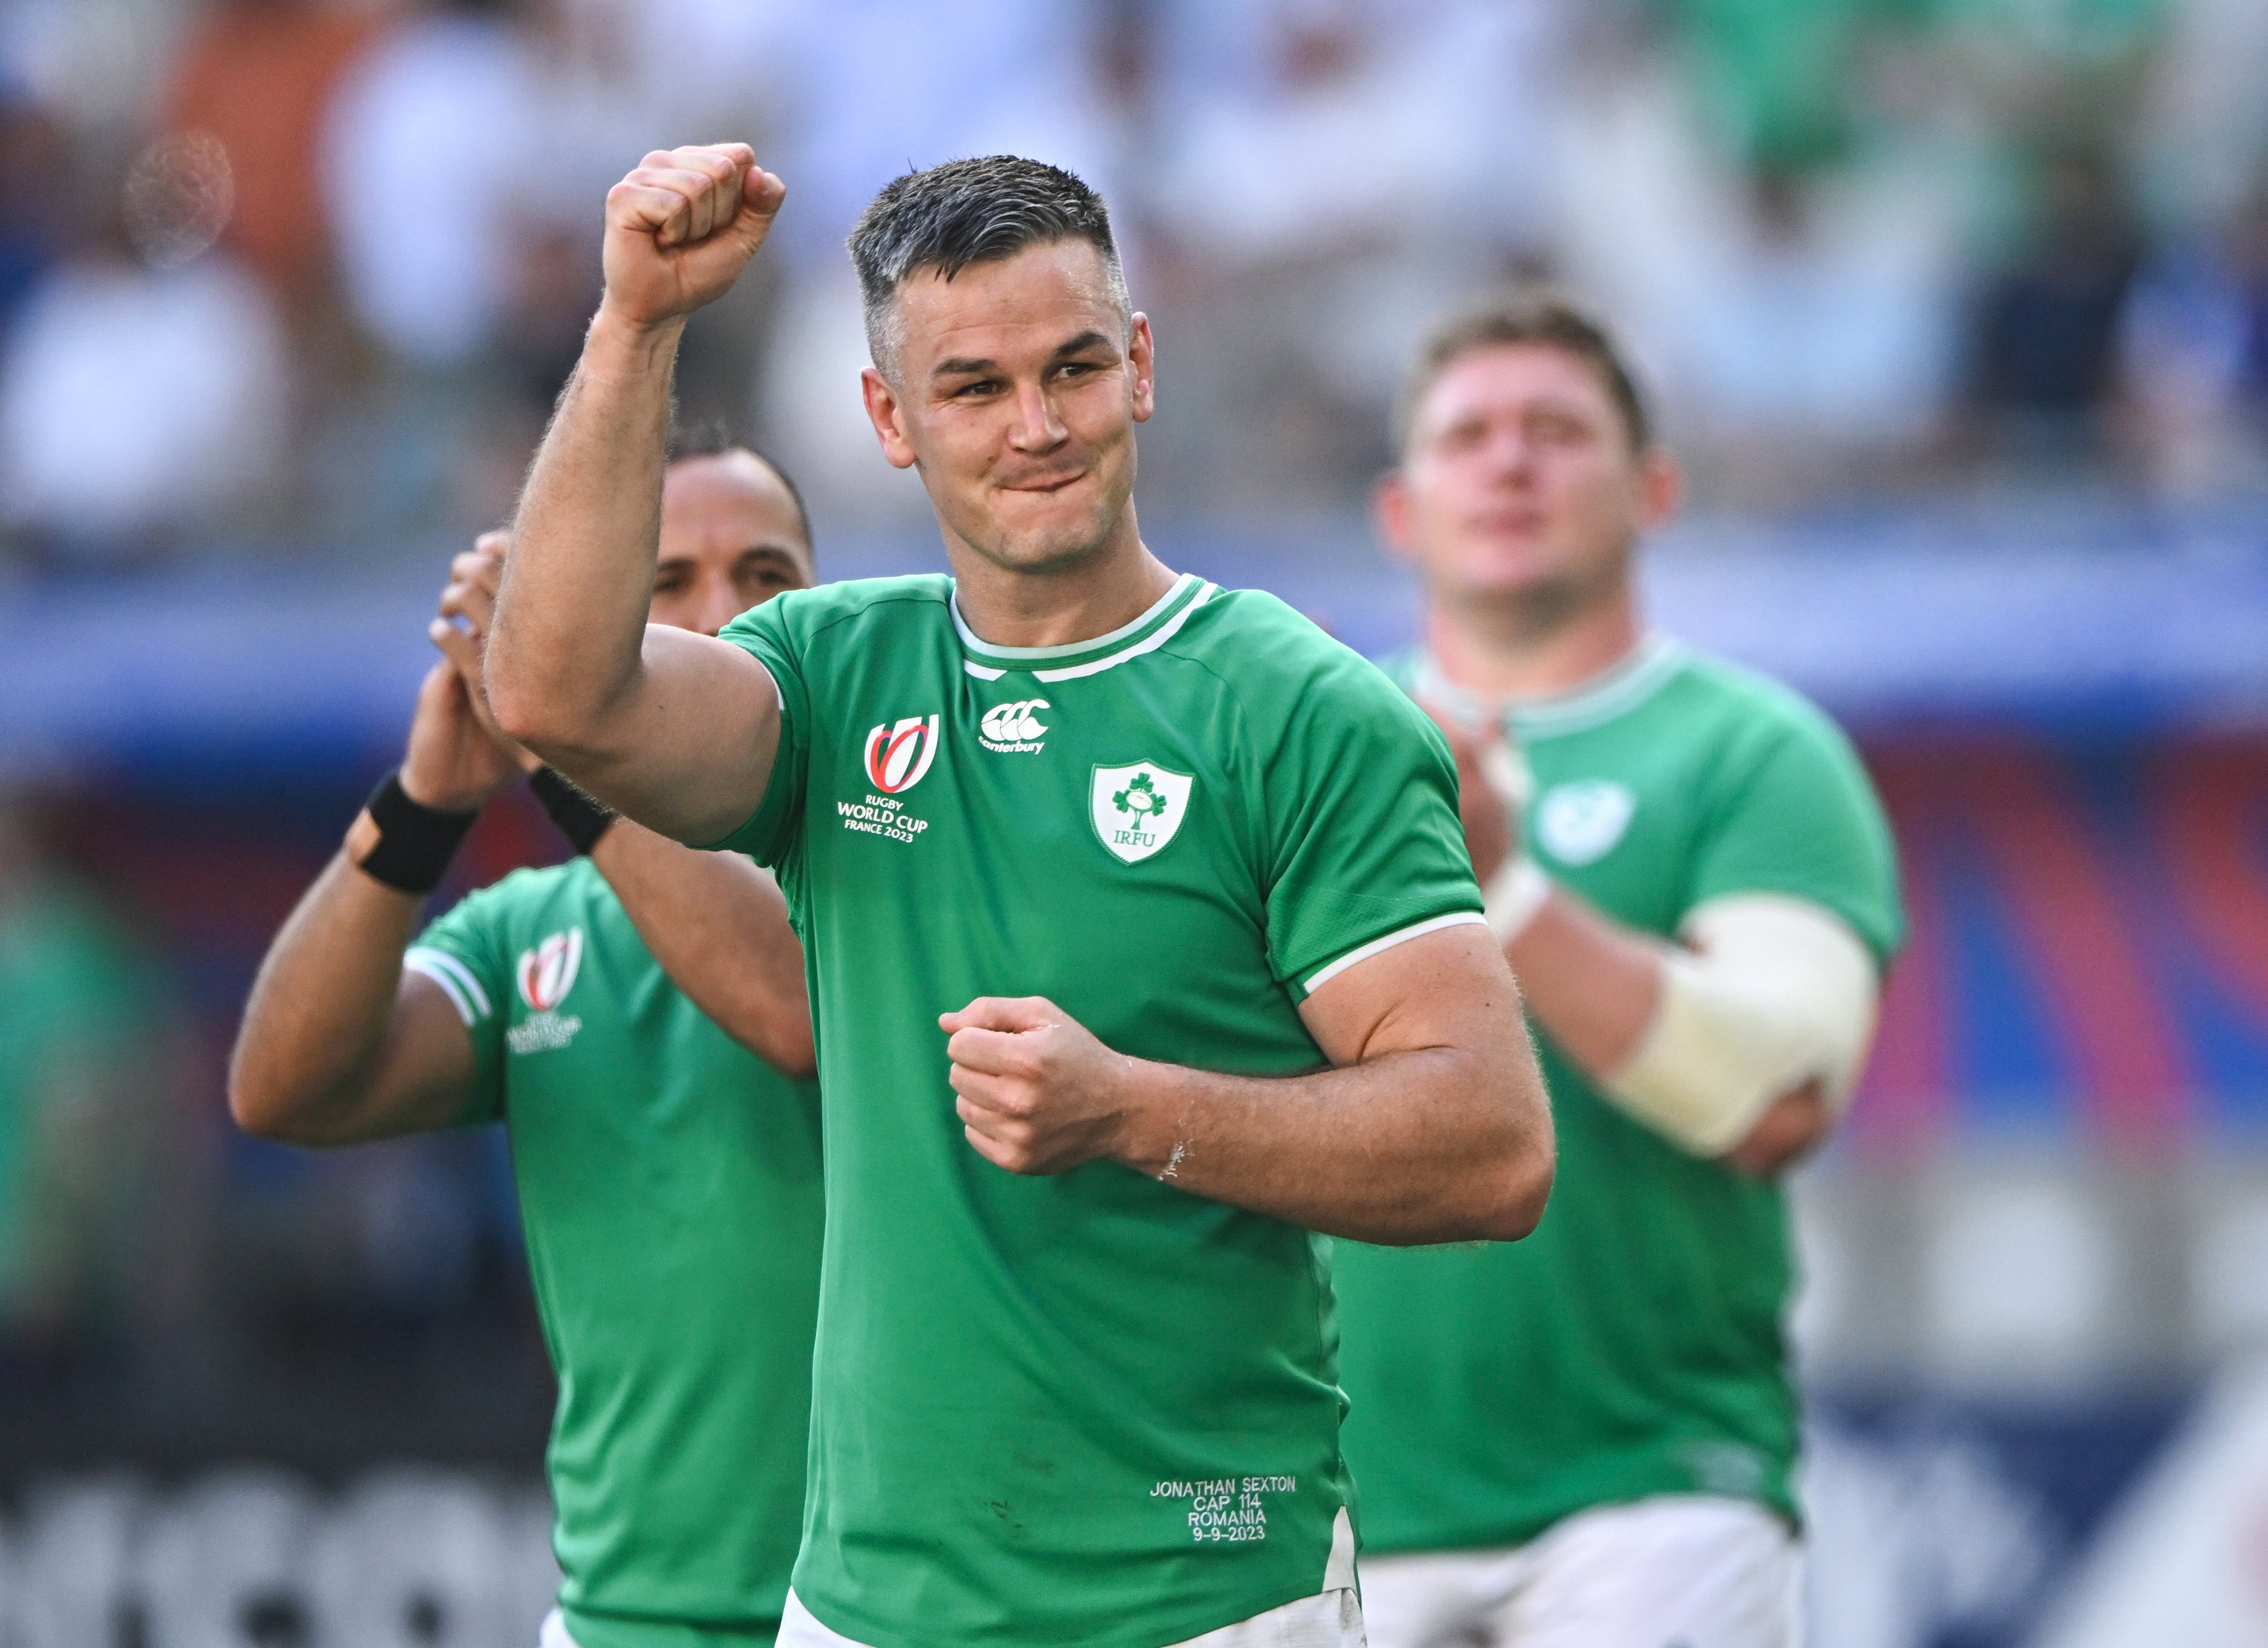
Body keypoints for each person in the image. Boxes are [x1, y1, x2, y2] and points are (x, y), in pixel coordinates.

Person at [482, 147, 1555, 1648]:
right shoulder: (834, 672)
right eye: (975, 388)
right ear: (890, 421)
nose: (1038, 427)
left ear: (1142, 366)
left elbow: (1494, 1144)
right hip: (865, 1604)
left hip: (1200, 1591)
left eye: (1074, 369)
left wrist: (1130, 1109)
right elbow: (554, 696)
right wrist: (634, 326)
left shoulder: (1295, 704)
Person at [1330, 292, 1904, 1647]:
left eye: (1556, 430)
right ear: (1400, 511)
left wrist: (1504, 885)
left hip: (1654, 1491)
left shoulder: (1755, 753)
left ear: (1654, 489)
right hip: (1338, 1507)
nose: (1510, 462)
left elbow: (1776, 1096)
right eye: (1466, 436)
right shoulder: (1317, 752)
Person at [229, 440, 824, 1648]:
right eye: (667, 582)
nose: (724, 613)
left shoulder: (908, 871)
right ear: (605, 627)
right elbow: (283, 1087)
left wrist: (558, 732)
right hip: (622, 1623)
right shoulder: (534, 928)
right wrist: (424, 802)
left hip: (898, 1618)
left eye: (767, 573)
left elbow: (789, 1008)